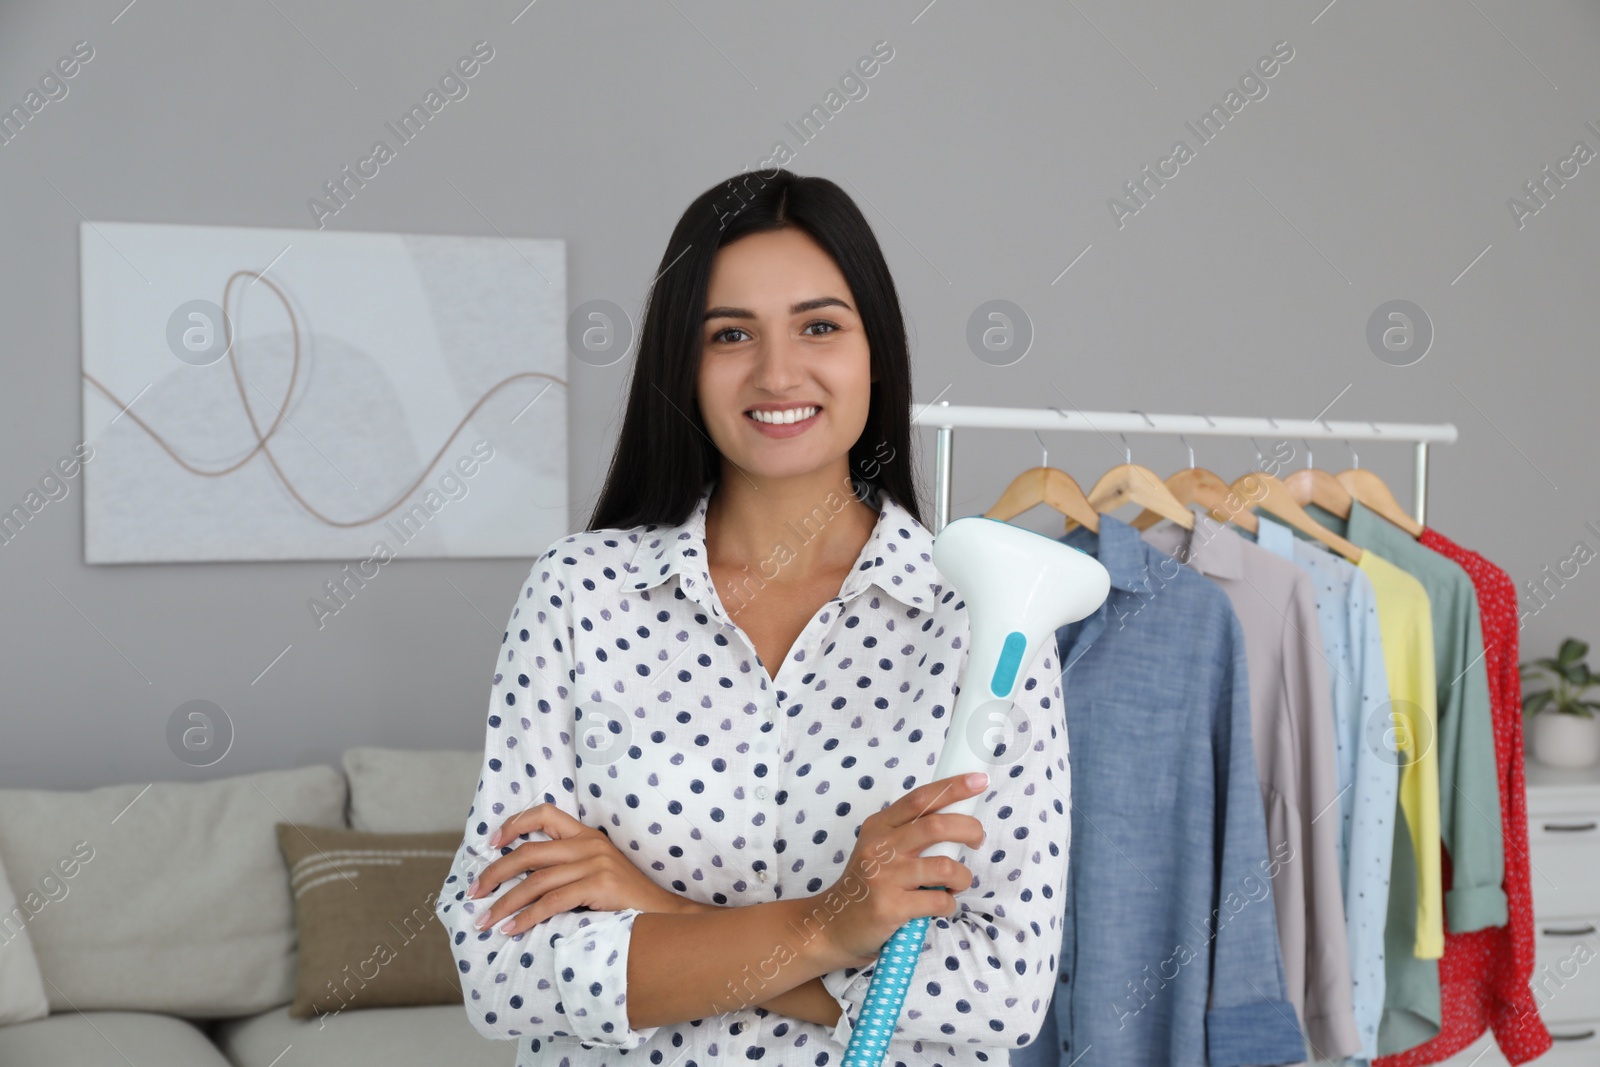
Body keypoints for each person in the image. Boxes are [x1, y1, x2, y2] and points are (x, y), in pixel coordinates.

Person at [435, 168, 1070, 1066]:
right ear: (681, 365)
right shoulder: (580, 592)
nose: (778, 372)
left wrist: (661, 913)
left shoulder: (984, 619)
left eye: (819, 326)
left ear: (873, 351)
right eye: (730, 334)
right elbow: (500, 967)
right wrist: (827, 928)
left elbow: (998, 994)